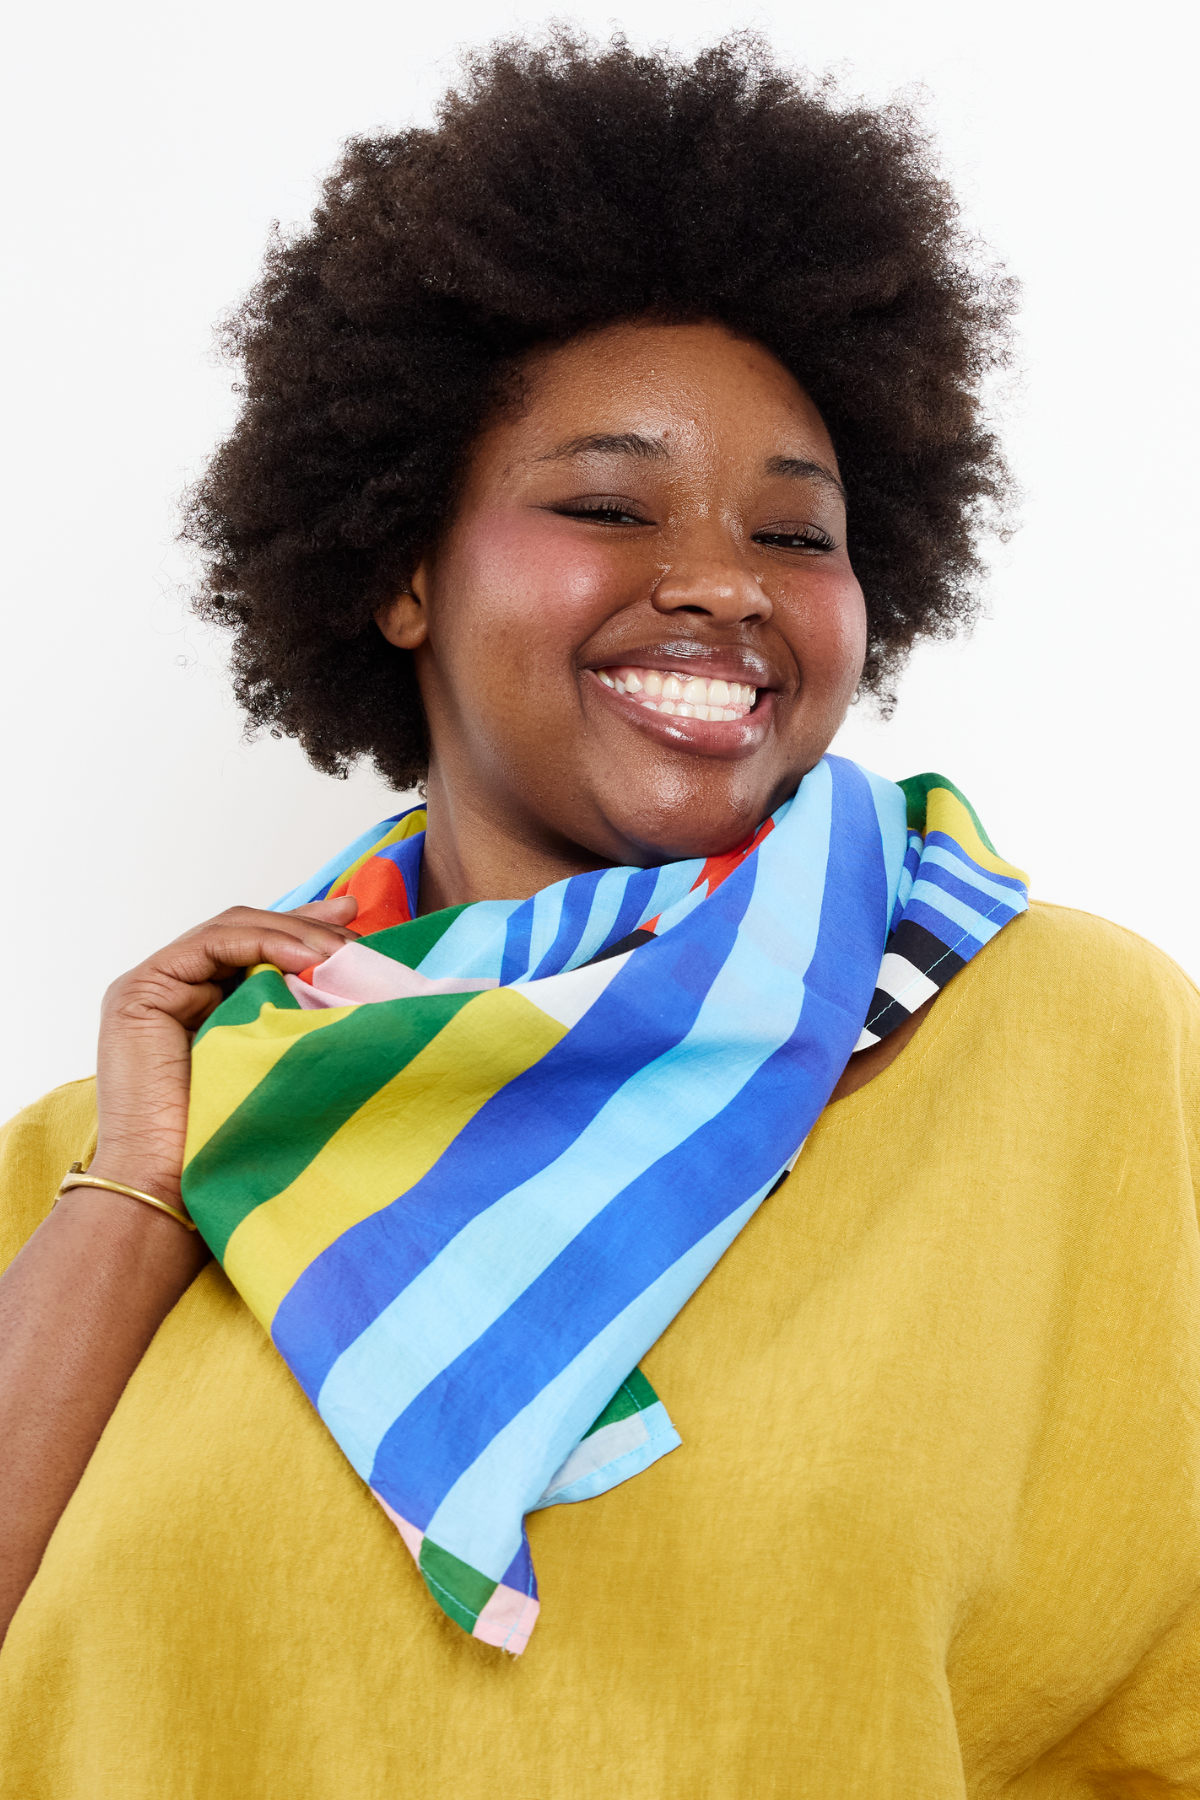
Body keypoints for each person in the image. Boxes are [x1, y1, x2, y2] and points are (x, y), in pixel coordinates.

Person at [2, 33, 1198, 1798]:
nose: (721, 581)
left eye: (798, 538)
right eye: (605, 505)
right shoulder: (108, 1150)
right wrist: (137, 1198)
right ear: (404, 568)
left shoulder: (1076, 1048)